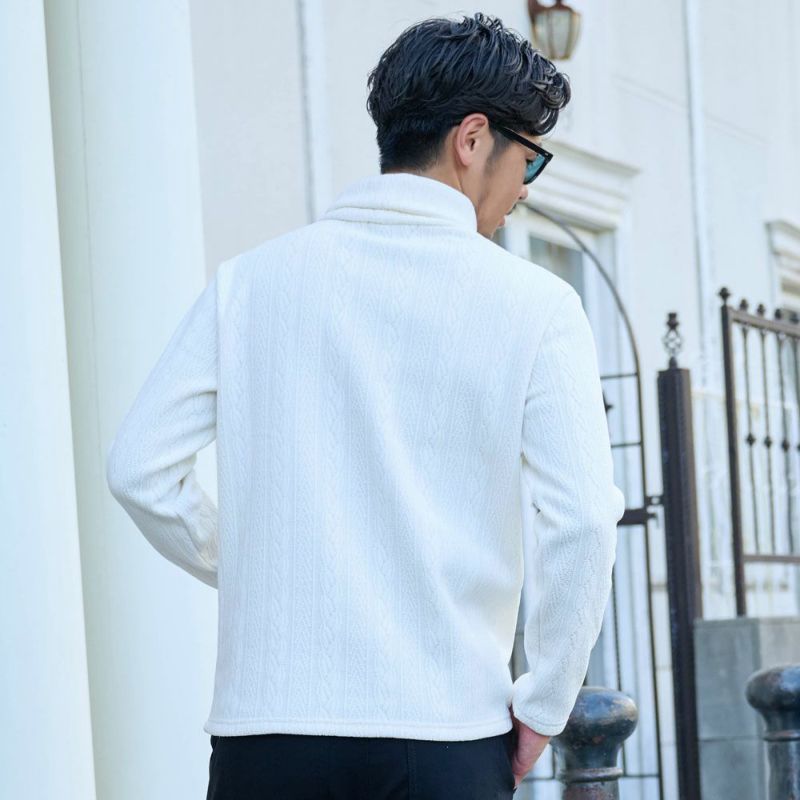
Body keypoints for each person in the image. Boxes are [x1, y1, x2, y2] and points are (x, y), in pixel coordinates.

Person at [105, 11, 626, 799]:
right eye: (530, 158)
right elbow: (582, 520)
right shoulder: (537, 306)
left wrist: (257, 565)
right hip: (445, 732)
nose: (525, 187)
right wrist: (545, 703)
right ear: (473, 139)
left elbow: (140, 468)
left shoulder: (250, 285)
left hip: (266, 735)